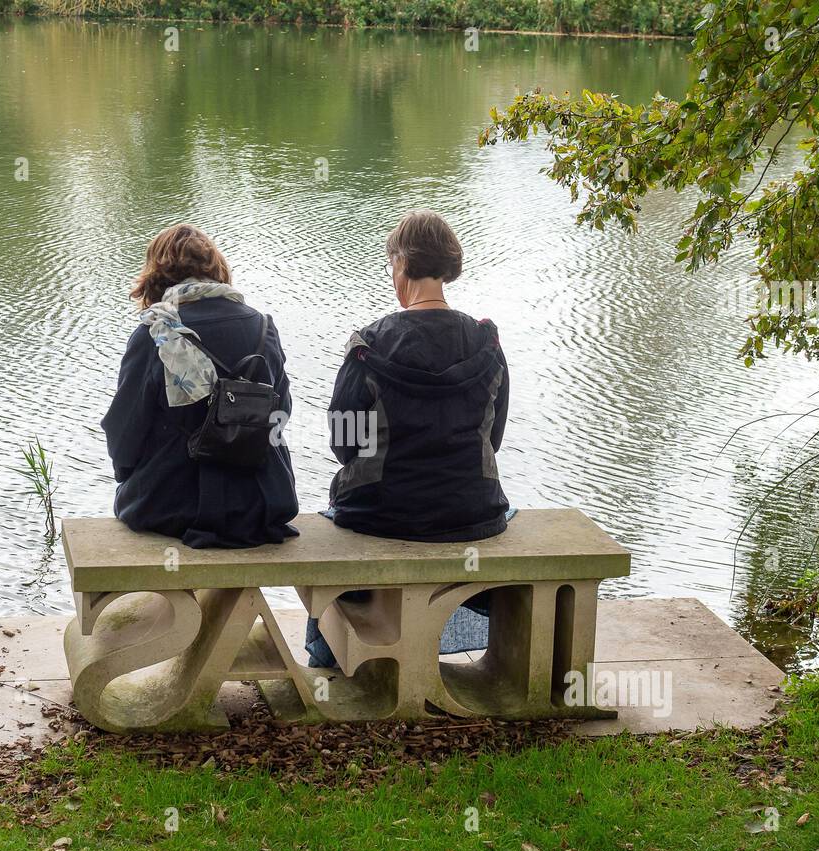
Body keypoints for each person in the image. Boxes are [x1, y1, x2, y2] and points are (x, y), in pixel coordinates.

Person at [305, 210, 512, 667]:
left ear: (400, 264)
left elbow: (343, 443)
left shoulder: (369, 344)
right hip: (470, 511)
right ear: (447, 266)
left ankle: (328, 657)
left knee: (331, 523)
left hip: (380, 512)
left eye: (391, 265)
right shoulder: (486, 344)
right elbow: (492, 438)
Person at [103, 224, 299, 548]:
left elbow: (124, 431)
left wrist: (129, 477)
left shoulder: (155, 334)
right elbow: (281, 412)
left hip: (173, 506)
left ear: (155, 278)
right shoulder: (263, 327)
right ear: (217, 270)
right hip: (262, 503)